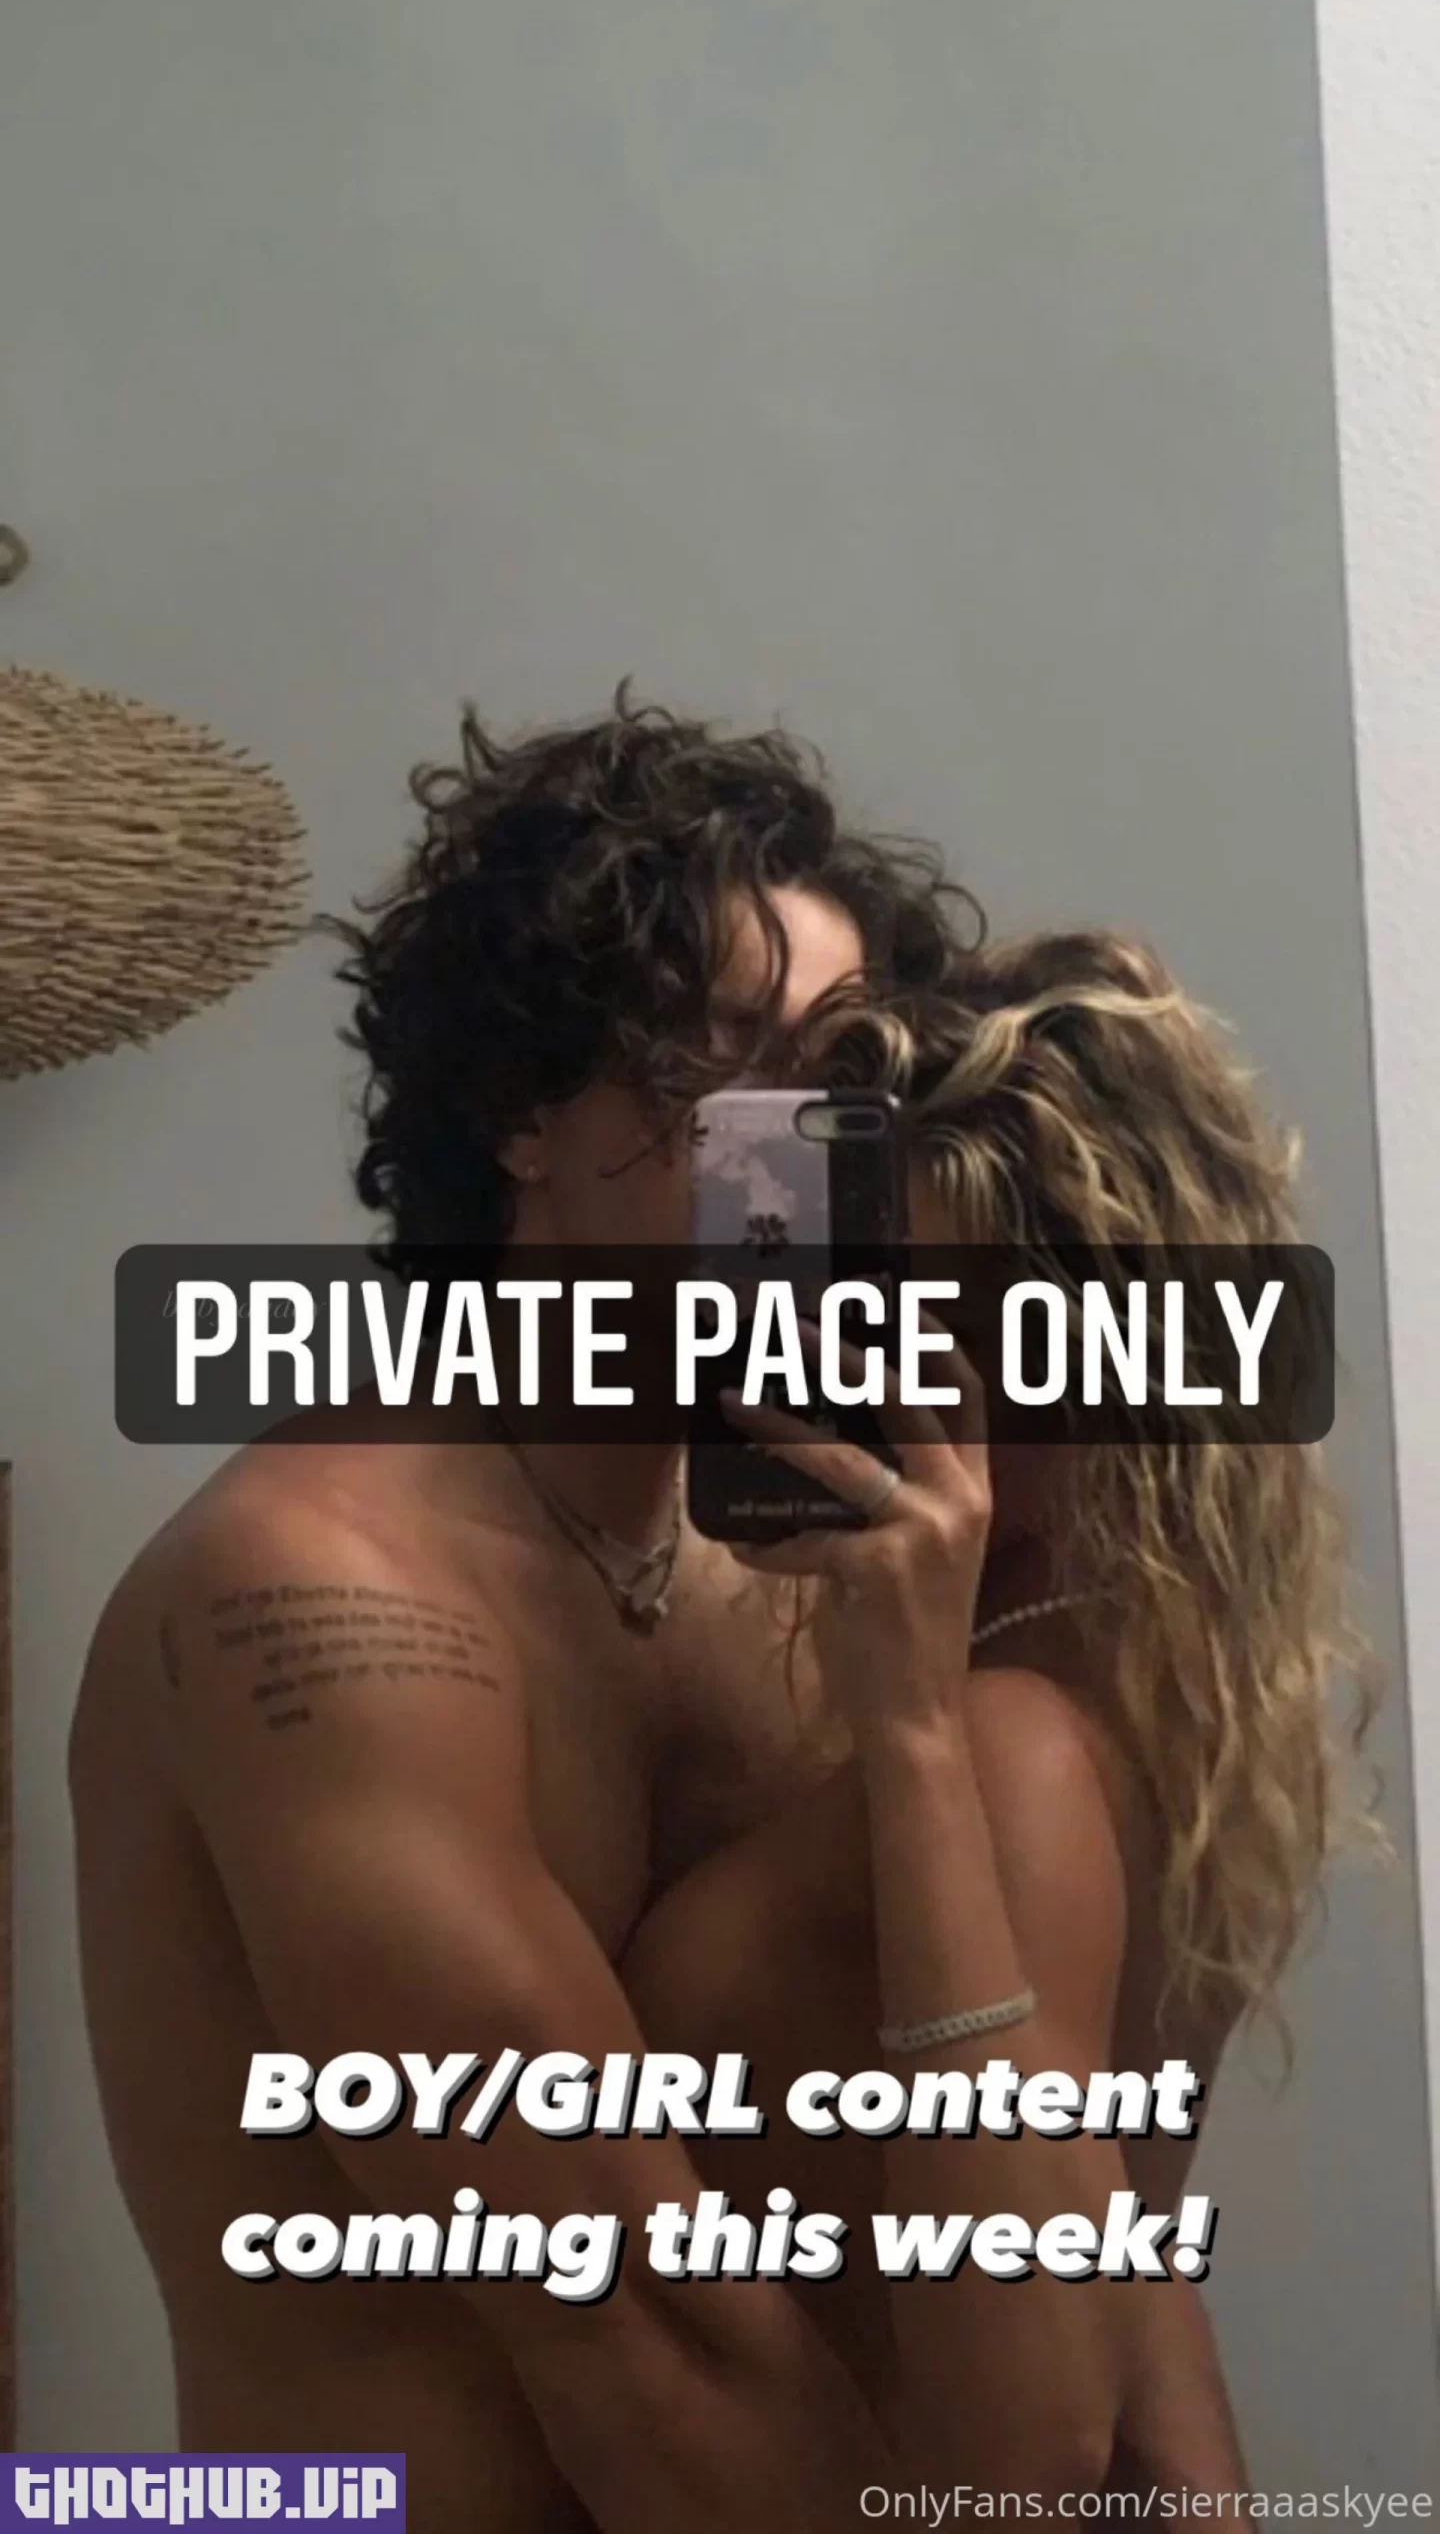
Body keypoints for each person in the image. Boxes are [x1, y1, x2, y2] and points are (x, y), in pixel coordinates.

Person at [70, 690, 989, 2534]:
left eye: (837, 1068)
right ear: (517, 1111)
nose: (794, 1137)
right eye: (723, 1056)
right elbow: (642, 2334)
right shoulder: (322, 1590)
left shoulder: (807, 1565)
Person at [623, 927, 1375, 2503]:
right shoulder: (1161, 1699)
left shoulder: (1004, 1744)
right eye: (857, 1294)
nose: (851, 1359)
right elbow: (1127, 2276)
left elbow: (1029, 2459)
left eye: (935, 1323)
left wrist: (911, 1732)